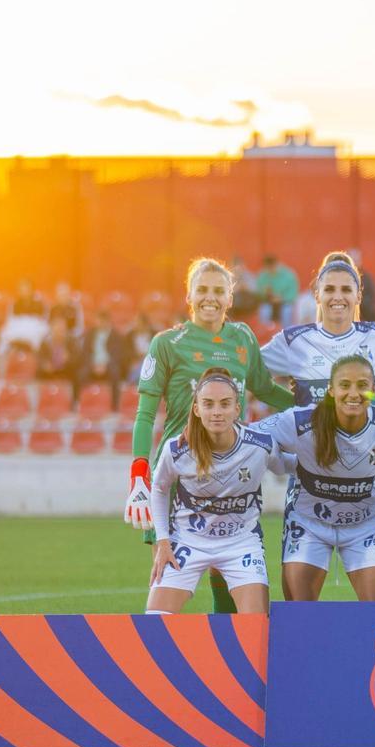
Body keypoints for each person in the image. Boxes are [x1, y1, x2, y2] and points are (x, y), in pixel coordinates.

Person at [124, 257, 295, 615]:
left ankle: (225, 661)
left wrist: (318, 412)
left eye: (219, 290)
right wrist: (139, 472)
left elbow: (264, 389)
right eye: (202, 289)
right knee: (166, 569)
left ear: (230, 297)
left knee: (228, 577)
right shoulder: (168, 343)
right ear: (189, 294)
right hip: (179, 475)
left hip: (232, 470)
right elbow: (144, 414)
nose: (210, 298)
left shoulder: (243, 338)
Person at [256, 355, 375, 601]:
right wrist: (198, 430)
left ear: (374, 390)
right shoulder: (299, 421)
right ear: (331, 390)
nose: (354, 393)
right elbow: (246, 437)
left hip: (366, 525)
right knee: (300, 615)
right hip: (308, 523)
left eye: (363, 386)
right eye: (345, 385)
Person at [146, 368, 291, 614]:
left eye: (225, 404)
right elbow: (159, 489)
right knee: (154, 621)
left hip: (241, 542)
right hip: (189, 540)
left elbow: (285, 467)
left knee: (256, 626)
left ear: (237, 409)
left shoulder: (260, 445)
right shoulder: (177, 449)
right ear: (196, 409)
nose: (216, 412)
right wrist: (163, 542)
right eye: (208, 404)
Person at [260, 251, 375, 408]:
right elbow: (249, 371)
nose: (337, 297)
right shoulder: (292, 340)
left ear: (358, 295)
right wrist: (290, 407)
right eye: (329, 289)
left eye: (346, 290)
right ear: (317, 295)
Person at [81, 308, 129, 410]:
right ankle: (81, 403)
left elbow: (118, 355)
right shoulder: (90, 334)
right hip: (92, 364)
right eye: (97, 321)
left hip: (109, 364)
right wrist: (93, 365)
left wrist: (105, 365)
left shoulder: (116, 335)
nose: (99, 323)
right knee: (80, 374)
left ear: (107, 321)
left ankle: (114, 405)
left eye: (102, 321)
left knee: (115, 373)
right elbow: (85, 352)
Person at [255, 253, 300, 327]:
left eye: (272, 267)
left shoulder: (289, 275)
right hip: (269, 302)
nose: (270, 270)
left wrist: (281, 299)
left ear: (277, 264)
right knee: (264, 310)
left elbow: (293, 294)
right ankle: (265, 333)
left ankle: (286, 332)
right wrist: (266, 295)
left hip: (285, 302)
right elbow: (259, 293)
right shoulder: (262, 275)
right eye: (268, 267)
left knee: (286, 311)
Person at [348, 248, 375, 324]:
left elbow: (371, 300)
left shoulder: (367, 278)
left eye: (356, 260)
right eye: (352, 260)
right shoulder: (338, 277)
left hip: (364, 316)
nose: (354, 263)